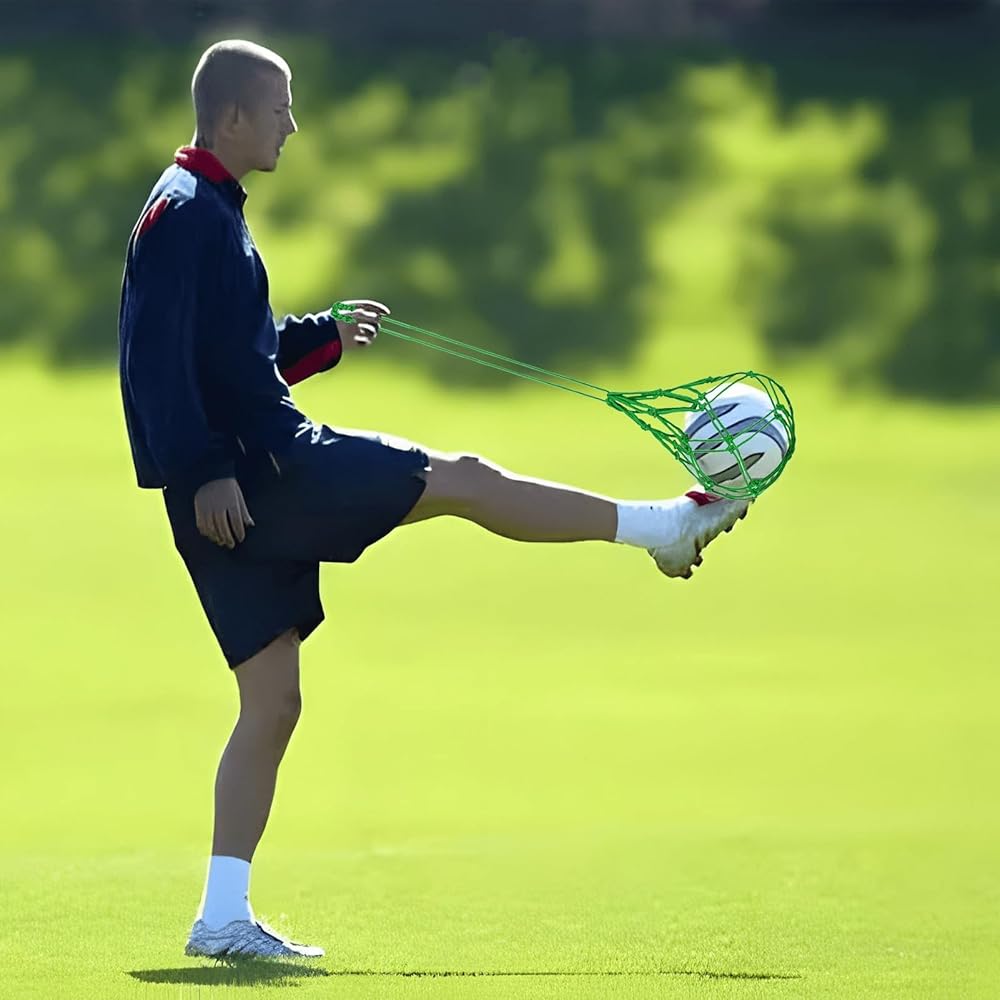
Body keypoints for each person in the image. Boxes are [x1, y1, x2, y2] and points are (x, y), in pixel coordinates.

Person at [118, 39, 749, 961]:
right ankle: (663, 527)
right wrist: (204, 467)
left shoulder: (206, 205)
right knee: (462, 479)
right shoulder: (186, 215)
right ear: (234, 116)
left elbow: (228, 357)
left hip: (234, 484)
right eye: (281, 108)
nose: (294, 124)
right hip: (259, 475)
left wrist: (319, 339)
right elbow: (152, 363)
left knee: (274, 702)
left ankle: (219, 918)